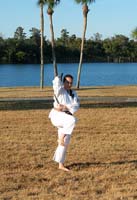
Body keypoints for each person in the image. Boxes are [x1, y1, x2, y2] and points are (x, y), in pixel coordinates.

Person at [49, 74, 80, 172]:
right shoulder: (59, 91)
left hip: (66, 117)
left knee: (65, 142)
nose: (69, 84)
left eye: (71, 83)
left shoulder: (73, 93)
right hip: (57, 116)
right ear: (63, 82)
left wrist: (65, 107)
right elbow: (56, 85)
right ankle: (60, 138)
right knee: (73, 120)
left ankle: (60, 164)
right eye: (67, 82)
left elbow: (76, 106)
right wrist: (57, 78)